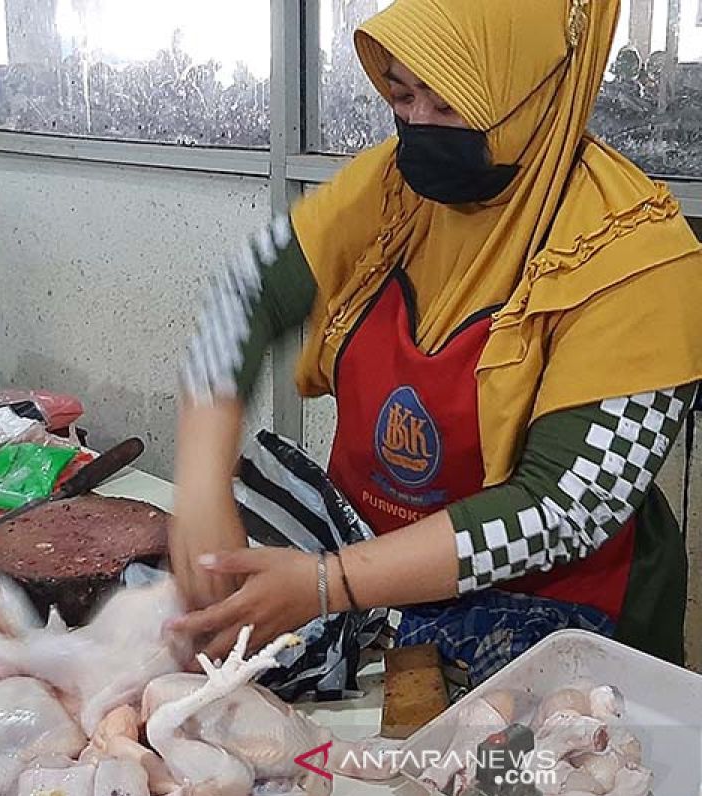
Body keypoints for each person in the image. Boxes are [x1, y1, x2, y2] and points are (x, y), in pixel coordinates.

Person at [168, 0, 702, 676]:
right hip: (369, 589)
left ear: (535, 95)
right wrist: (199, 484)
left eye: (448, 106)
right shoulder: (391, 190)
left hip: (554, 619)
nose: (416, 125)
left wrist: (331, 584)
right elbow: (246, 295)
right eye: (402, 94)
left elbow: (566, 509)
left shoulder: (639, 257)